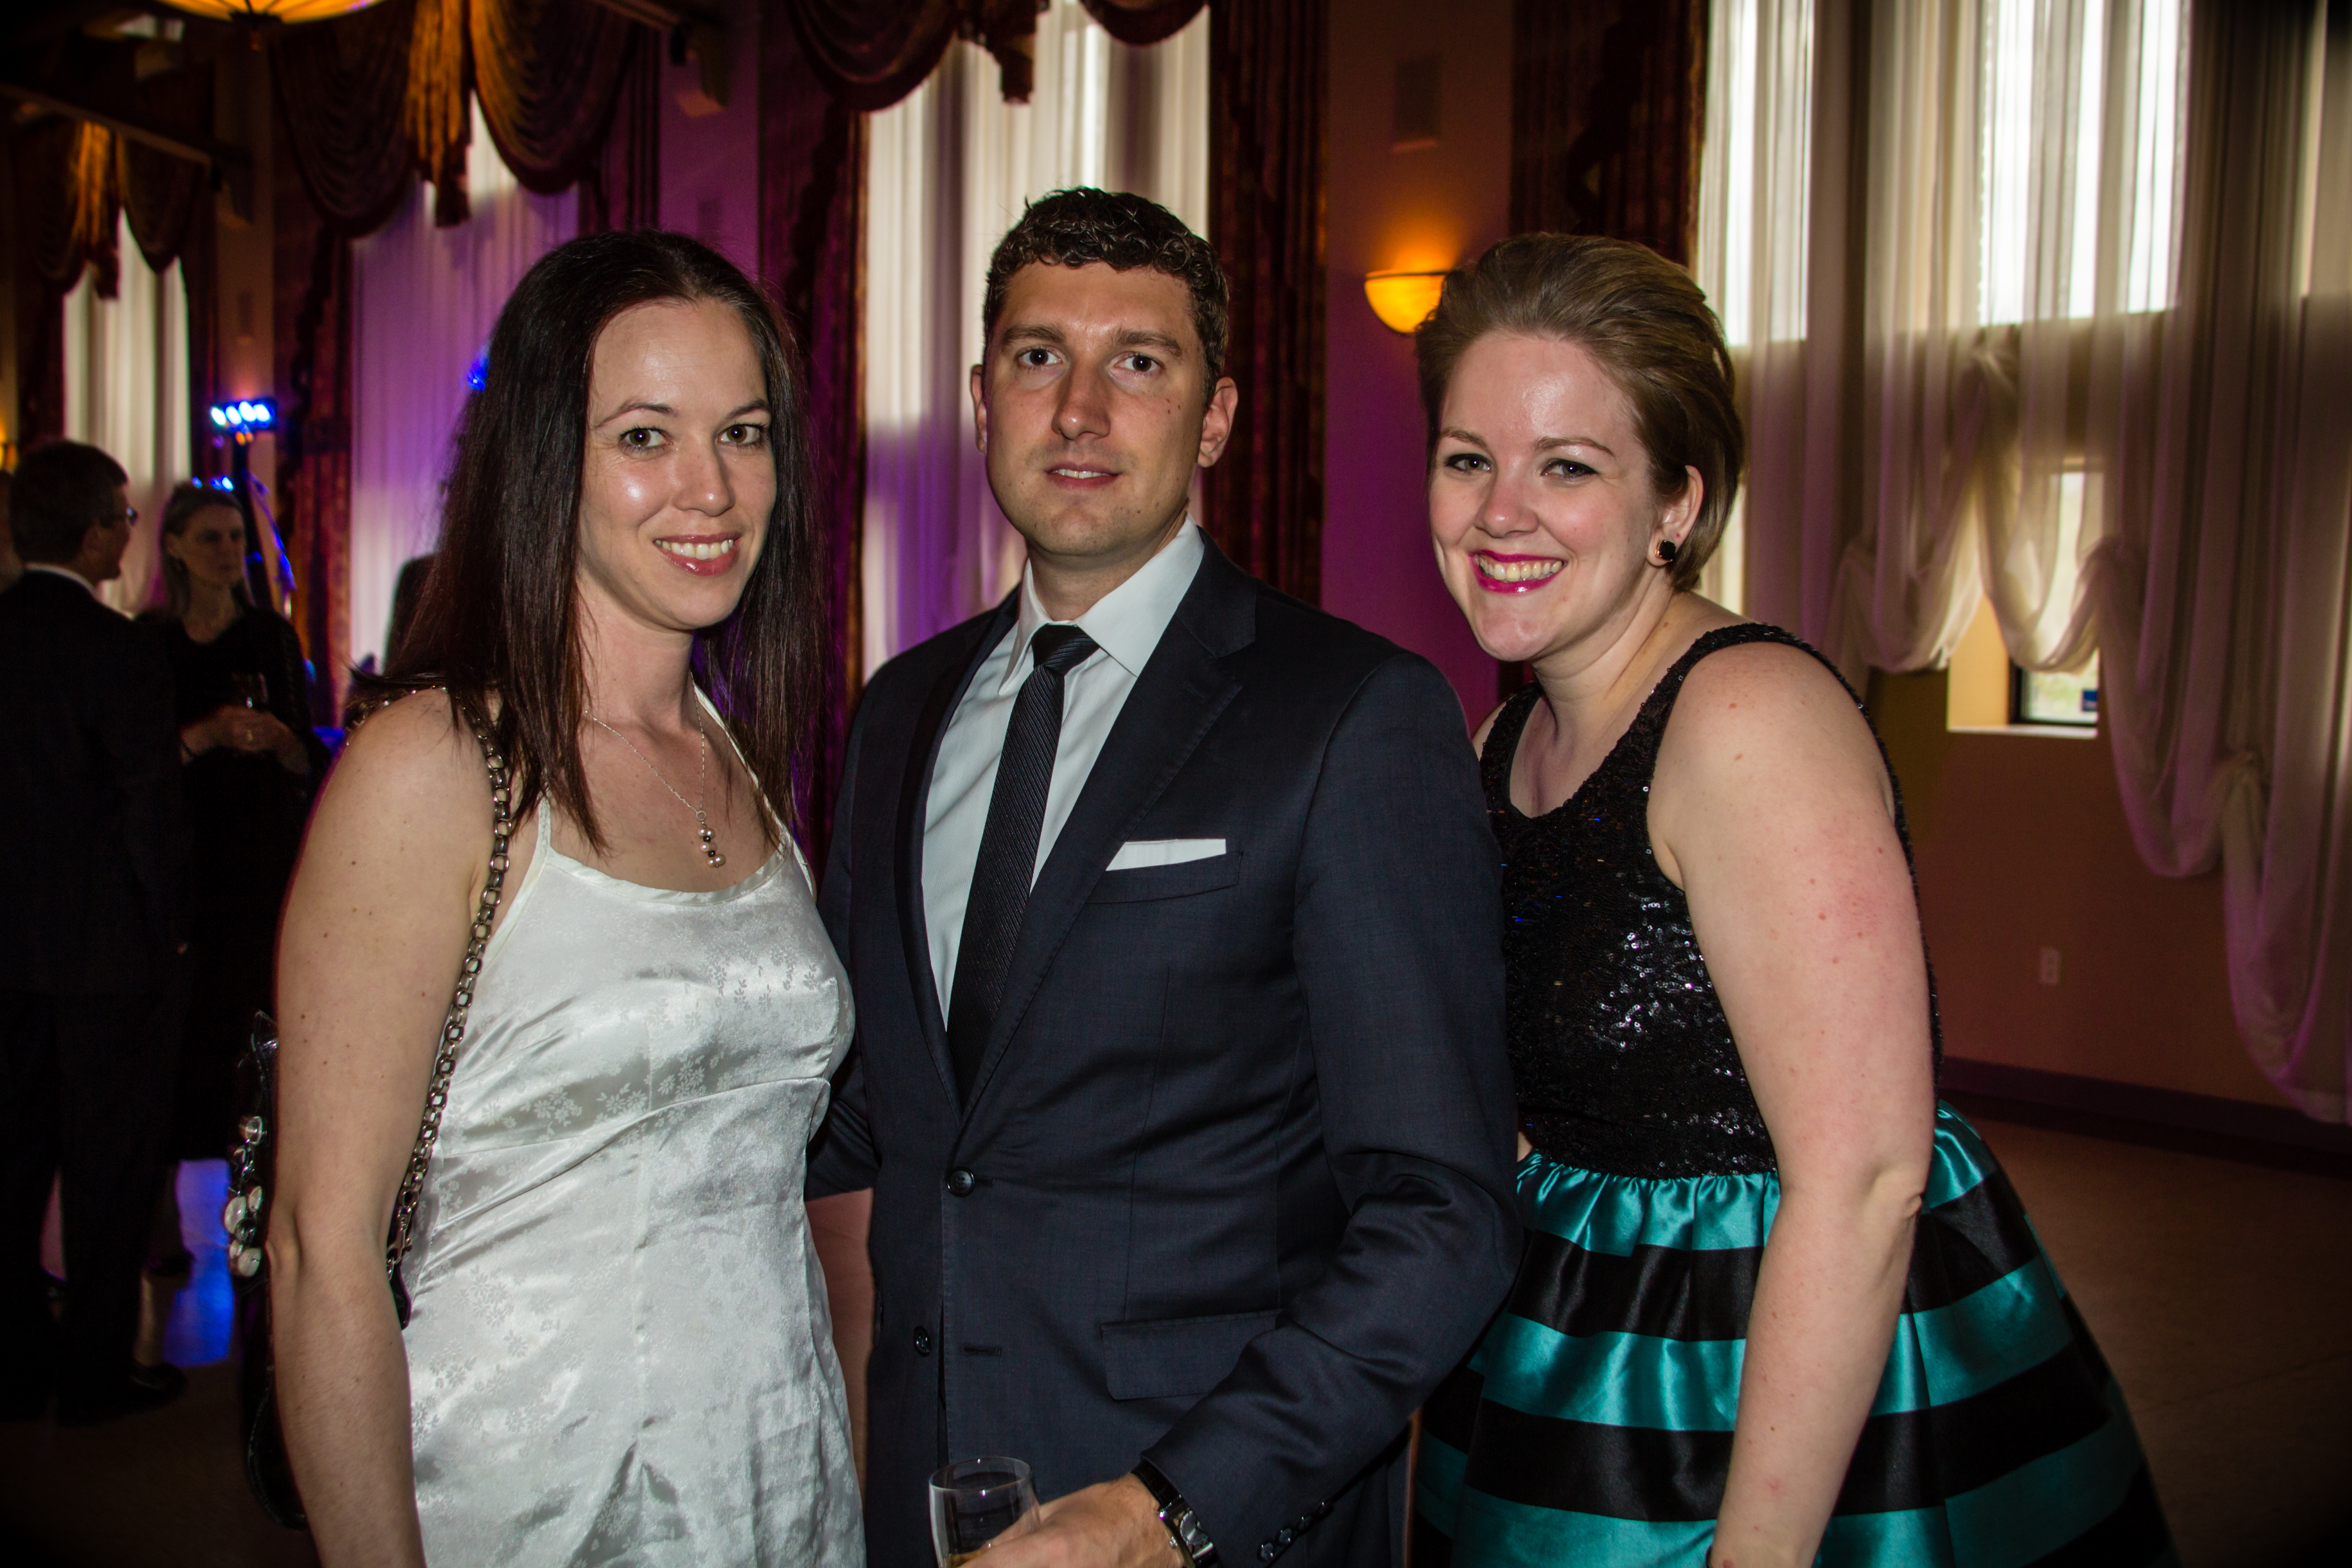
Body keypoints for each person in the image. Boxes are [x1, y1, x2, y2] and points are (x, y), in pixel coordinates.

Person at [1409, 234, 2171, 1567]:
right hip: (1580, 1342)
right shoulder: (1501, 744)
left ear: (1676, 506)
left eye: (1568, 466)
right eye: (1469, 458)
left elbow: (1868, 1177)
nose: (1499, 512)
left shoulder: (1746, 717)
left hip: (1785, 1367)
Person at [808, 187, 1521, 1568]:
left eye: (1138, 362)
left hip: (1208, 1519)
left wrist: (1170, 1510)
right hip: (929, 1493)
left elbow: (1444, 1215)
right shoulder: (899, 711)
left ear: (1216, 418)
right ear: (978, 398)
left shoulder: (1350, 715)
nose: (1079, 411)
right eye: (1037, 358)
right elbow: (866, 1107)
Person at [269, 230, 862, 1566]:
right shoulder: (436, 769)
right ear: (549, 461)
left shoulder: (737, 757)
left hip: (777, 1480)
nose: (710, 489)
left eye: (745, 433)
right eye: (645, 436)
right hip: (532, 1497)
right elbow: (322, 1256)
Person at [0, 440, 189, 1425]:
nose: (128, 529)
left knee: (13, 1161)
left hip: (6, 955)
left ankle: (16, 1358)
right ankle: (95, 1373)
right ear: (87, 533)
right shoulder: (118, 653)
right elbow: (149, 811)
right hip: (109, 955)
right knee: (110, 1172)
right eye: (120, 515)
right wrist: (170, 934)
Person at [145, 481, 326, 1171]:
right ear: (176, 550)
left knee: (258, 1028)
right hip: (185, 858)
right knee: (181, 1034)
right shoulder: (152, 643)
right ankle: (162, 1212)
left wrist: (279, 740)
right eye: (210, 539)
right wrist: (205, 734)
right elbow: (136, 763)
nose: (227, 553)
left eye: (235, 540)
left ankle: (255, 1195)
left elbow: (309, 756)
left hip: (258, 857)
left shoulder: (269, 635)